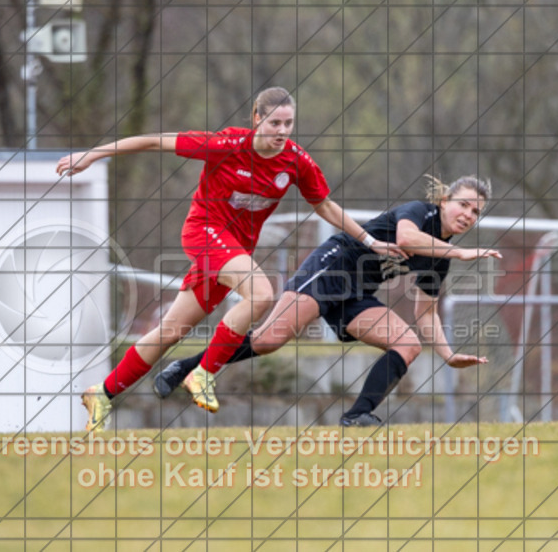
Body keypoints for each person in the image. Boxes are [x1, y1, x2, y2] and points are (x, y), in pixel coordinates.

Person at [56, 87, 402, 432]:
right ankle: (202, 374)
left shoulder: (296, 162)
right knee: (262, 293)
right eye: (274, 122)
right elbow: (154, 141)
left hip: (232, 251)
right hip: (204, 232)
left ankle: (101, 393)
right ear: (256, 119)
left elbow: (325, 205)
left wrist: (370, 240)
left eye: (288, 123)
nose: (282, 131)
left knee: (171, 331)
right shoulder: (225, 145)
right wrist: (92, 154)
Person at [153, 174, 502, 427]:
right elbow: (407, 237)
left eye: (476, 212)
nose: (469, 214)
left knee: (408, 343)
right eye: (464, 205)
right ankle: (184, 368)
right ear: (444, 202)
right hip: (333, 265)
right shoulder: (419, 213)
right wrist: (463, 253)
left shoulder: (439, 259)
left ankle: (356, 416)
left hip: (358, 292)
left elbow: (425, 312)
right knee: (269, 340)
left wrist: (448, 355)